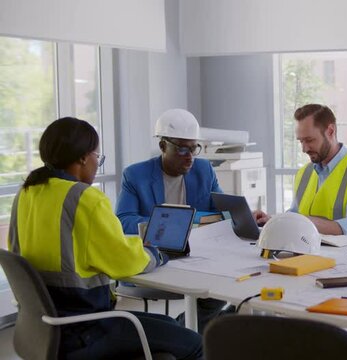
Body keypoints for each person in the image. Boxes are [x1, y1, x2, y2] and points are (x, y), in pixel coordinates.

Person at [7, 117, 202, 359]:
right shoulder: (85, 198)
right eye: (97, 157)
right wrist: (155, 254)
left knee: (169, 324)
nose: (97, 164)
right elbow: (122, 261)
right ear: (82, 157)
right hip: (86, 328)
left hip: (44, 324)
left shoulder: (27, 191)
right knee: (194, 343)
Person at [115, 108, 227, 334]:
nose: (190, 156)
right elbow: (124, 221)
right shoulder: (136, 175)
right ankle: (182, 336)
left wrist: (184, 220)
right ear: (163, 146)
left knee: (221, 292)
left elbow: (223, 214)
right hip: (154, 258)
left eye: (194, 148)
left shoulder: (204, 169)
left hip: (196, 258)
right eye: (181, 148)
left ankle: (179, 332)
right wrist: (178, 222)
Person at [253, 104, 347, 239]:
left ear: (330, 131)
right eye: (301, 141)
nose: (304, 149)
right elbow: (294, 216)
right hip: (309, 252)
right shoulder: (304, 173)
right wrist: (272, 221)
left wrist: (304, 222)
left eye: (309, 140)